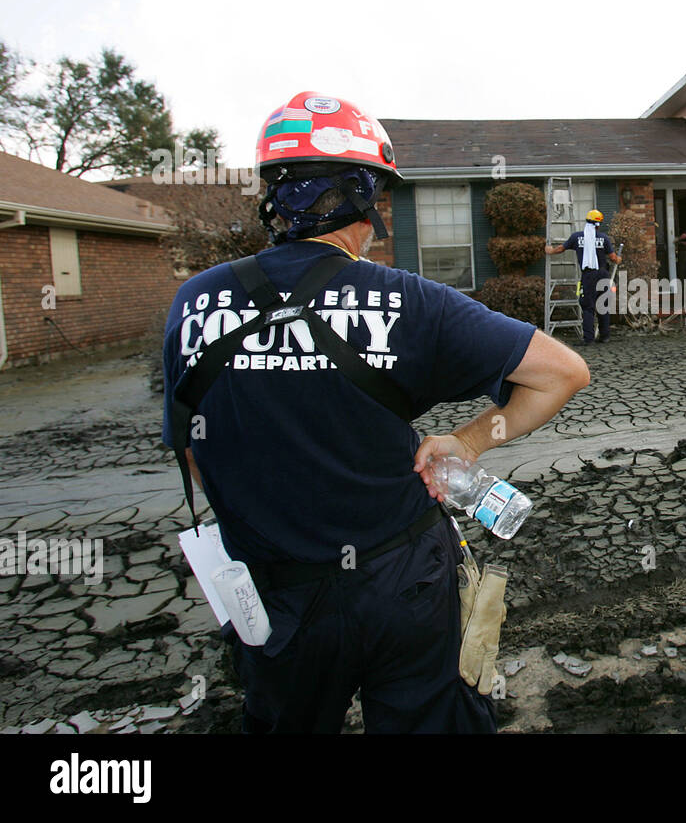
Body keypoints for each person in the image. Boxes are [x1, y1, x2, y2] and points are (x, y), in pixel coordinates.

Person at [161, 91, 589, 733]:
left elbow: (193, 449)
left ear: (273, 199)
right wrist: (470, 442)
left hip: (276, 593)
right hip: (402, 580)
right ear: (367, 200)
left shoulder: (194, 301)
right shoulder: (409, 301)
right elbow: (561, 373)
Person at [544, 209, 621, 345]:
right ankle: (604, 336)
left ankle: (588, 338)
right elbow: (613, 258)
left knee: (587, 306)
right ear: (598, 225)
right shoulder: (604, 238)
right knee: (603, 305)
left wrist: (550, 251)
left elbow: (561, 248)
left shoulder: (576, 237)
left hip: (588, 276)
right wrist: (618, 259)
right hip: (603, 275)